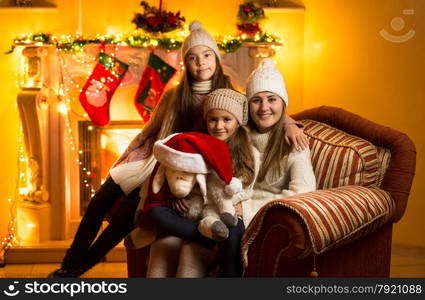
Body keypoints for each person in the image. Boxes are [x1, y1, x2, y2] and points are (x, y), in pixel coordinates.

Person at [49, 21, 305, 277]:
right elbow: (149, 131)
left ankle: (76, 270)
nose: (201, 63)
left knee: (124, 218)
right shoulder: (174, 95)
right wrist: (124, 160)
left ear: (216, 58)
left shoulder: (227, 91)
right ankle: (70, 262)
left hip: (185, 170)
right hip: (151, 160)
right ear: (186, 63)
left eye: (206, 55)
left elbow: (261, 106)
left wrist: (290, 123)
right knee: (99, 201)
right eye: (193, 58)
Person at [146, 89, 259, 278]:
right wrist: (177, 196)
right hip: (193, 212)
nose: (219, 126)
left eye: (226, 119)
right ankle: (208, 239)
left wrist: (237, 203)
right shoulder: (195, 145)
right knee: (156, 213)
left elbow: (248, 188)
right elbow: (178, 176)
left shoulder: (248, 151)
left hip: (221, 212)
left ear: (238, 122)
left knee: (233, 231)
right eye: (213, 119)